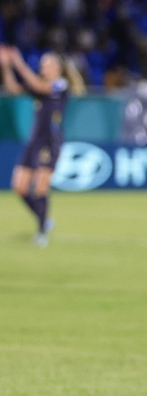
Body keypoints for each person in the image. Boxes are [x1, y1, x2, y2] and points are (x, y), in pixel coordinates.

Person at [0, 45, 85, 247]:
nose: (43, 69)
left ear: (57, 68)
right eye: (42, 66)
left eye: (46, 65)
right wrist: (6, 67)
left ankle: (41, 232)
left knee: (40, 186)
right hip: (34, 141)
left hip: (50, 142)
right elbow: (14, 89)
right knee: (19, 187)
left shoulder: (60, 86)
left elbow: (39, 86)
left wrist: (18, 62)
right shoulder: (40, 87)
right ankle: (45, 220)